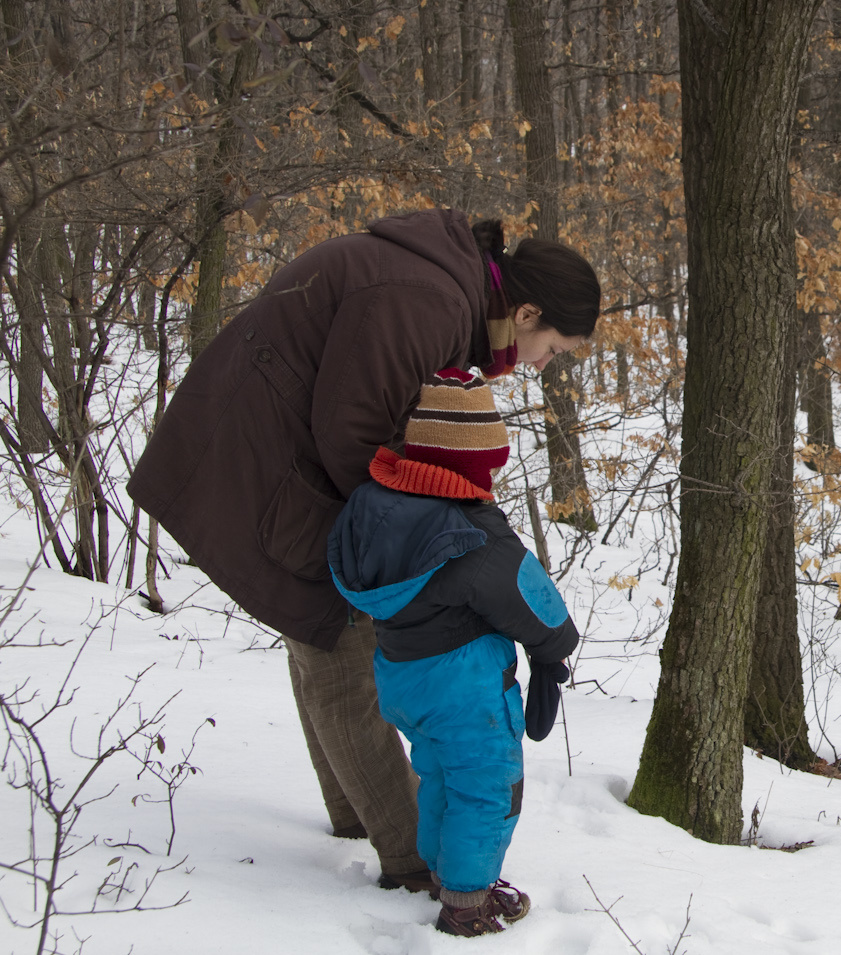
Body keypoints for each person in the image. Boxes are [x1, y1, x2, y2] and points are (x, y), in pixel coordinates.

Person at [127, 210, 599, 893]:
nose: (544, 362)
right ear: (525, 312)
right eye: (555, 347)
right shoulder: (431, 299)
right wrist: (413, 543)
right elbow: (351, 431)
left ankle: (355, 812)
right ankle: (411, 858)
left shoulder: (448, 291)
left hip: (269, 450)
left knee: (321, 628)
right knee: (342, 640)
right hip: (264, 457)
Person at [328, 369, 578, 936]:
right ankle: (467, 902)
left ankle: (443, 874)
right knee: (487, 785)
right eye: (490, 463)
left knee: (441, 774)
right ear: (471, 463)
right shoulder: (472, 535)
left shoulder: (372, 505)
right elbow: (529, 597)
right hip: (463, 688)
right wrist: (556, 647)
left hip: (400, 675)